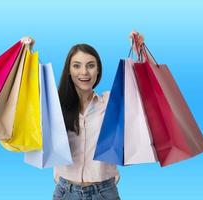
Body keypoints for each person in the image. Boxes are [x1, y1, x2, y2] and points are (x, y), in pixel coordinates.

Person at [53, 32, 144, 200]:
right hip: (65, 192)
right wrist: (24, 57)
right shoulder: (55, 107)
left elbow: (144, 92)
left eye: (90, 65)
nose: (84, 72)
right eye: (77, 65)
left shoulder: (111, 103)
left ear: (98, 70)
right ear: (69, 71)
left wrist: (140, 55)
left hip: (104, 193)